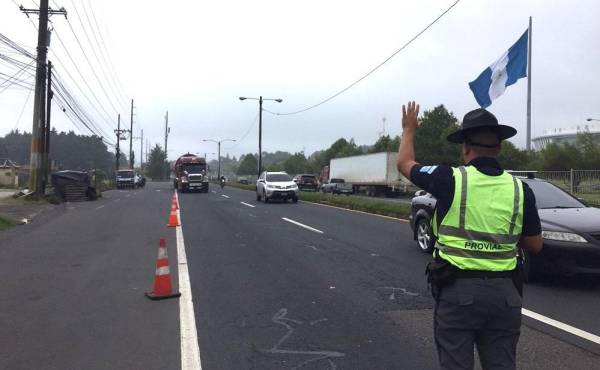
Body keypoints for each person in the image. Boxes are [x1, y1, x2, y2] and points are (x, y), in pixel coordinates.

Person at [397, 101, 543, 370]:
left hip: (458, 292)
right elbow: (534, 244)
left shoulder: (449, 178)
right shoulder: (520, 190)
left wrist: (409, 130)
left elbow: (405, 163)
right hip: (505, 295)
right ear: (499, 147)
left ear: (465, 147)